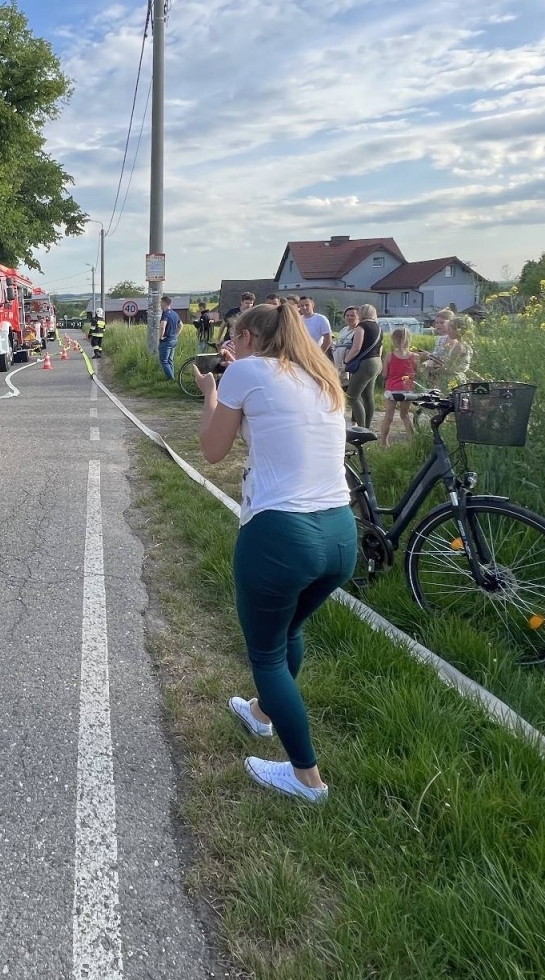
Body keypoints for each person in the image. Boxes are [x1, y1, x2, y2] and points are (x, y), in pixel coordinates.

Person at [191, 302, 355, 802]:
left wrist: (211, 393)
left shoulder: (245, 373)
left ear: (247, 337)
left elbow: (212, 449)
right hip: (340, 533)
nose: (230, 347)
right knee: (290, 631)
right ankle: (262, 712)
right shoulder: (321, 375)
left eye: (233, 338)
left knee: (266, 654)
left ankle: (307, 778)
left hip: (282, 534)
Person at [342, 302, 383, 428]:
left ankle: (361, 428)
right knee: (368, 397)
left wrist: (346, 361)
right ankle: (367, 427)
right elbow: (380, 347)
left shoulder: (361, 327)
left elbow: (356, 348)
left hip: (366, 364)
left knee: (352, 396)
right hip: (377, 362)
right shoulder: (378, 328)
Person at [381, 328, 417, 447]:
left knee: (388, 416)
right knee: (405, 415)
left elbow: (384, 374)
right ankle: (412, 441)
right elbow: (416, 373)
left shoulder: (389, 356)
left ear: (395, 340)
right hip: (407, 389)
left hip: (392, 388)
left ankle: (384, 443)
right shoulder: (415, 356)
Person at [158, 295, 181, 379]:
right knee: (170, 360)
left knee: (164, 361)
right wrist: (176, 335)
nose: (160, 305)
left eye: (161, 303)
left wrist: (161, 337)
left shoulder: (165, 314)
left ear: (164, 303)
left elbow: (162, 326)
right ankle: (172, 377)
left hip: (166, 340)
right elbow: (181, 325)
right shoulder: (175, 314)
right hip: (174, 340)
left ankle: (171, 378)